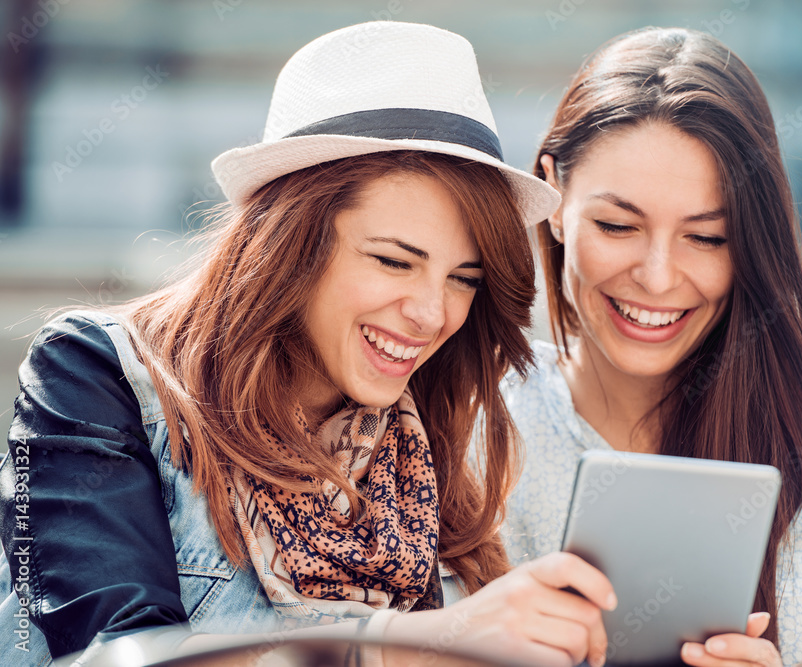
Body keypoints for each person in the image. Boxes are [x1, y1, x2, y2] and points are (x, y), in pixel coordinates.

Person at [0, 22, 617, 667]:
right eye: (393, 262)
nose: (433, 314)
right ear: (292, 246)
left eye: (464, 279)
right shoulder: (96, 373)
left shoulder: (432, 436)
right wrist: (423, 643)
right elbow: (112, 656)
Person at [494, 27, 802, 666]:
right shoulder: (484, 426)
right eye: (618, 225)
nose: (658, 276)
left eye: (708, 238)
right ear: (554, 197)